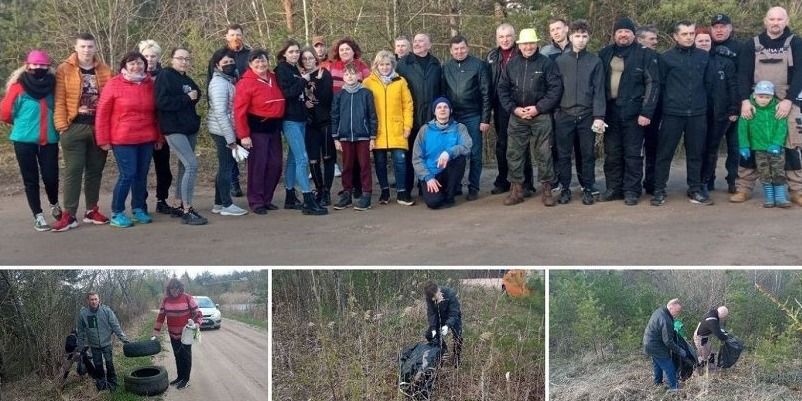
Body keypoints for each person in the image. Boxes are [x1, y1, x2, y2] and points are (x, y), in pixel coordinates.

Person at [732, 6, 802, 205]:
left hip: (787, 98)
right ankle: (744, 188)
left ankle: (796, 190)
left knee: (791, 144)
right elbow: (742, 75)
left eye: (780, 19)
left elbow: (800, 74)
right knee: (751, 142)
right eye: (772, 19)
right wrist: (745, 101)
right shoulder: (752, 45)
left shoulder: (796, 43)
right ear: (765, 21)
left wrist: (789, 100)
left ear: (786, 21)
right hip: (757, 100)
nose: (775, 23)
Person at [52, 32, 112, 232]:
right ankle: (69, 214)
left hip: (99, 127)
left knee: (95, 171)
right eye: (83, 46)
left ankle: (91, 210)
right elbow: (59, 99)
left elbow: (111, 101)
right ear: (76, 48)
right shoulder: (64, 69)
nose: (87, 50)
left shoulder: (104, 70)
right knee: (73, 171)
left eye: (90, 46)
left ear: (95, 48)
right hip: (74, 126)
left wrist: (110, 129)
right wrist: (62, 126)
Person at [497, 28, 563, 206]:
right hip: (517, 116)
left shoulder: (546, 63)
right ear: (520, 45)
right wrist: (514, 109)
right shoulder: (511, 65)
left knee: (544, 154)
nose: (528, 47)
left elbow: (555, 89)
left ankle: (547, 190)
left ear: (536, 44)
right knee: (514, 154)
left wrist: (539, 108)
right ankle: (517, 190)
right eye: (525, 43)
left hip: (540, 116)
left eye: (531, 43)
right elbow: (502, 90)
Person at [598, 18, 660, 205]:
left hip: (634, 112)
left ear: (634, 35)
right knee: (612, 153)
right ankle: (613, 188)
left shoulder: (645, 54)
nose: (623, 34)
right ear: (614, 34)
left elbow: (653, 83)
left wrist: (646, 112)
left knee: (633, 154)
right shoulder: (605, 53)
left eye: (627, 31)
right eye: (619, 31)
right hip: (610, 111)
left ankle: (632, 191)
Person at [95, 51, 160, 228]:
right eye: (132, 63)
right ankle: (117, 211)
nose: (136, 66)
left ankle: (138, 208)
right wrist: (103, 139)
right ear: (124, 66)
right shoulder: (114, 84)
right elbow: (102, 113)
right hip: (122, 138)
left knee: (141, 175)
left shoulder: (150, 84)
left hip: (146, 137)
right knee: (128, 175)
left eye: (140, 63)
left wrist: (159, 136)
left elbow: (157, 113)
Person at [651, 21, 713, 206]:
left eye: (691, 33)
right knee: (665, 153)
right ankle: (659, 190)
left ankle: (694, 189)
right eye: (684, 34)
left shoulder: (703, 56)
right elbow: (659, 86)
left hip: (697, 113)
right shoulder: (666, 58)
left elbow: (709, 84)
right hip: (672, 113)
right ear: (675, 37)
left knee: (695, 154)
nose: (688, 37)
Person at [1, 49, 61, 231]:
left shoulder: (54, 85)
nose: (39, 68)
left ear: (48, 67)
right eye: (35, 65)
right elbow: (5, 112)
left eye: (43, 65)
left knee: (51, 177)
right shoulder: (18, 87)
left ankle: (54, 204)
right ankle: (38, 215)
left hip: (49, 138)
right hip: (24, 140)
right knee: (31, 179)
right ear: (27, 66)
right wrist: (20, 124)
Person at [554, 20, 606, 205]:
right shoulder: (560, 61)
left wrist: (599, 116)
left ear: (588, 37)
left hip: (586, 116)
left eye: (584, 36)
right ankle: (565, 188)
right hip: (564, 115)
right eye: (577, 36)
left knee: (587, 155)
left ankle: (588, 187)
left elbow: (599, 90)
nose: (581, 40)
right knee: (564, 154)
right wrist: (555, 112)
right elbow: (555, 89)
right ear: (570, 37)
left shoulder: (595, 61)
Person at [275, 39, 328, 215]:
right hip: (289, 119)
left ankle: (290, 195)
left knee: (292, 158)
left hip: (301, 118)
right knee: (302, 158)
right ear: (284, 53)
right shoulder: (281, 70)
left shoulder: (295, 69)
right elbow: (287, 93)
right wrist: (303, 81)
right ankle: (308, 199)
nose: (295, 54)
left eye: (297, 51)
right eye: (291, 51)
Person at [155, 47, 206, 225]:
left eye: (187, 59)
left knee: (184, 167)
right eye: (180, 58)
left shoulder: (186, 78)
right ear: (171, 59)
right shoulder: (165, 75)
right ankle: (187, 209)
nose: (184, 62)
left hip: (188, 128)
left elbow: (197, 92)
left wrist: (193, 96)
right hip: (173, 128)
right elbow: (161, 102)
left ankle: (178, 203)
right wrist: (186, 98)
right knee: (192, 164)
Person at [234, 49, 286, 215]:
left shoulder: (274, 77)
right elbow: (239, 111)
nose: (261, 64)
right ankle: (256, 201)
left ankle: (267, 198)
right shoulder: (245, 83)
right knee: (258, 166)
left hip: (274, 128)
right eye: (256, 62)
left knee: (276, 164)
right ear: (250, 64)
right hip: (257, 130)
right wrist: (244, 135)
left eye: (263, 60)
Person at [487, 23, 535, 197]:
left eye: (508, 36)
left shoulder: (522, 52)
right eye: (501, 37)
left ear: (514, 37)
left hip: (520, 105)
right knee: (502, 145)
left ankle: (526, 182)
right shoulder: (491, 56)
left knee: (522, 144)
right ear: (497, 39)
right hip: (500, 106)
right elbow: (488, 83)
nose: (505, 40)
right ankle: (503, 180)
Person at [442, 34, 491, 200]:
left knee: (475, 153)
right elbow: (443, 94)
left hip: (474, 115)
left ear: (467, 48)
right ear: (451, 51)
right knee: (454, 153)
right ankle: (455, 185)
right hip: (453, 118)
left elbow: (486, 94)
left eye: (462, 48)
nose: (459, 51)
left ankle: (474, 187)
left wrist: (485, 119)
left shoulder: (479, 65)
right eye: (456, 49)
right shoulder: (446, 67)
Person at [363, 50, 415, 205]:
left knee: (400, 160)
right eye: (381, 64)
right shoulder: (368, 82)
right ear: (376, 65)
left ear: (392, 65)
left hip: (397, 129)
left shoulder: (400, 81)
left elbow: (408, 105)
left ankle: (401, 192)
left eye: (387, 64)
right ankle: (384, 192)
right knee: (379, 161)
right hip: (377, 130)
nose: (385, 67)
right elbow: (364, 107)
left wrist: (407, 126)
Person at [322, 37, 372, 198]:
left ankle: (362, 190)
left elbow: (368, 86)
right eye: (342, 49)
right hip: (340, 110)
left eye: (347, 49)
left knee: (362, 161)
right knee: (348, 160)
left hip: (358, 114)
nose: (344, 52)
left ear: (353, 51)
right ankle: (348, 190)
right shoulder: (332, 67)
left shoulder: (362, 66)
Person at [207, 24, 252, 198]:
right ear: (226, 37)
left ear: (242, 36)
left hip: (245, 110)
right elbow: (212, 81)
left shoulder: (249, 55)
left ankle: (250, 184)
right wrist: (214, 107)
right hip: (224, 112)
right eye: (232, 35)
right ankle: (232, 186)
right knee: (228, 155)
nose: (235, 37)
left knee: (245, 149)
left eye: (238, 34)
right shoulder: (218, 57)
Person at [397, 33, 444, 196]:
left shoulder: (436, 64)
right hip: (411, 119)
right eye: (415, 41)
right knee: (410, 156)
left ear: (429, 45)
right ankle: (406, 190)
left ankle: (426, 188)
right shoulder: (402, 64)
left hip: (431, 120)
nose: (417, 44)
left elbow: (441, 91)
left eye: (421, 41)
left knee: (430, 154)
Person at [695, 27, 740, 197]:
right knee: (699, 149)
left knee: (713, 149)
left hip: (719, 113)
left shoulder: (724, 62)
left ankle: (706, 181)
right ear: (694, 42)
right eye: (700, 40)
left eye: (707, 40)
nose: (704, 43)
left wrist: (734, 108)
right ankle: (700, 181)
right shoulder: (691, 61)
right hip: (697, 113)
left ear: (711, 42)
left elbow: (733, 87)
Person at [332, 64, 377, 211]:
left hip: (363, 136)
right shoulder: (339, 95)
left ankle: (366, 195)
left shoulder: (366, 93)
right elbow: (335, 116)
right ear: (343, 77)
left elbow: (372, 116)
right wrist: (335, 137)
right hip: (345, 137)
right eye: (347, 74)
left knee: (364, 166)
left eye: (353, 73)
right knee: (347, 167)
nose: (350, 77)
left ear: (358, 75)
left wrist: (372, 136)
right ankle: (346, 194)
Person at [412, 97, 472, 209]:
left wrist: (449, 153)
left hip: (449, 171)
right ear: (434, 111)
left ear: (451, 110)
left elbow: (467, 146)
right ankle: (436, 193)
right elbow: (417, 158)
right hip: (431, 173)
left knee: (460, 158)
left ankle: (450, 195)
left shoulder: (460, 128)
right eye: (439, 107)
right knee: (434, 203)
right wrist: (428, 177)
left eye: (445, 107)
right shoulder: (424, 130)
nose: (442, 109)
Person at [738, 81, 790, 207]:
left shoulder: (777, 108)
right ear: (755, 95)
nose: (764, 100)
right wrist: (744, 145)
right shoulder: (750, 110)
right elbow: (742, 128)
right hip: (759, 148)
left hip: (776, 149)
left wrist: (777, 143)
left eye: (767, 97)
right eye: (761, 96)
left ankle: (780, 197)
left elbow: (782, 127)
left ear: (772, 96)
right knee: (764, 172)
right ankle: (769, 197)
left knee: (778, 171)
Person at [138, 39, 175, 215]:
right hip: (141, 129)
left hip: (162, 128)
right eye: (146, 56)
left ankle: (162, 199)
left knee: (163, 169)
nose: (150, 59)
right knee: (141, 169)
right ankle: (141, 202)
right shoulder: (136, 76)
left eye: (153, 56)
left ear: (159, 57)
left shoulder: (165, 76)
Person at [709, 14, 743, 194]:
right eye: (715, 27)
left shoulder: (741, 47)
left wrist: (740, 104)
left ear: (730, 28)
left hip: (736, 104)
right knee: (710, 146)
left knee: (735, 146)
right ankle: (708, 180)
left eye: (723, 26)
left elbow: (745, 76)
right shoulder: (706, 46)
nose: (719, 30)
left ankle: (734, 181)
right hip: (714, 108)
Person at [300, 47, 336, 206]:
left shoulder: (324, 74)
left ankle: (327, 191)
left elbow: (326, 97)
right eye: (305, 58)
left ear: (316, 59)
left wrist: (319, 81)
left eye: (310, 58)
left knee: (328, 158)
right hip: (310, 124)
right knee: (313, 160)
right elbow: (296, 98)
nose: (308, 61)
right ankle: (319, 189)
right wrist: (304, 102)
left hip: (325, 122)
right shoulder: (301, 77)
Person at [153, 278, 203, 390]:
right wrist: (156, 332)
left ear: (180, 288)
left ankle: (186, 380)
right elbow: (161, 316)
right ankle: (180, 377)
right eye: (172, 288)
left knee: (186, 357)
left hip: (186, 335)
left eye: (177, 288)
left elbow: (198, 314)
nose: (175, 290)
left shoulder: (187, 298)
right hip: (173, 334)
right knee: (177, 356)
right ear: (169, 289)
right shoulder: (166, 300)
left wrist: (196, 324)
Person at [76, 292, 130, 391]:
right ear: (88, 301)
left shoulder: (106, 311)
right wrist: (80, 348)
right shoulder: (83, 314)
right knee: (98, 365)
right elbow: (81, 332)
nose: (94, 301)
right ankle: (101, 384)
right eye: (91, 299)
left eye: (95, 299)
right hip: (94, 345)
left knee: (109, 363)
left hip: (106, 343)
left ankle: (113, 383)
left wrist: (124, 340)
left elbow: (115, 326)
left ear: (99, 300)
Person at [637, 25, 662, 195]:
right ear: (640, 39)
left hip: (656, 111)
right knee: (635, 151)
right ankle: (633, 185)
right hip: (634, 112)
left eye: (656, 38)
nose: (656, 41)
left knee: (653, 149)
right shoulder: (632, 57)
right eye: (651, 38)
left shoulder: (660, 58)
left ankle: (651, 182)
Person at [642, 299, 685, 391]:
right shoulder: (666, 319)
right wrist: (680, 350)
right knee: (668, 365)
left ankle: (657, 382)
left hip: (649, 342)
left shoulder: (660, 311)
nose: (677, 313)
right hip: (655, 345)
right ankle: (674, 387)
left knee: (657, 363)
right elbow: (668, 341)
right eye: (677, 311)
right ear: (671, 307)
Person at [423, 281, 463, 367]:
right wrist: (433, 328)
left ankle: (457, 357)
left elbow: (454, 313)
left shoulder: (450, 294)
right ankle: (443, 350)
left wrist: (447, 325)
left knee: (458, 336)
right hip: (440, 316)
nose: (433, 300)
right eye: (432, 299)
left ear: (438, 291)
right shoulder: (430, 297)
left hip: (453, 317)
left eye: (435, 297)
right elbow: (431, 313)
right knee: (429, 335)